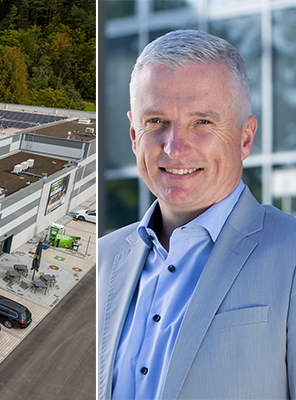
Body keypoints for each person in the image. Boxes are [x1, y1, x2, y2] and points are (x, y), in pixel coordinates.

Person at [98, 29, 296, 400]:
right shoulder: (105, 257)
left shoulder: (292, 253)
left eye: (202, 122)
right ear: (133, 135)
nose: (175, 148)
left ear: (245, 138)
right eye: (156, 121)